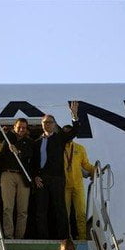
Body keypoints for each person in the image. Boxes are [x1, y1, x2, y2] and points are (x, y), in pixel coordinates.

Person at [32, 101, 80, 239]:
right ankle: (43, 237)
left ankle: (64, 238)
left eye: (50, 122)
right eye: (45, 122)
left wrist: (74, 115)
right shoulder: (37, 142)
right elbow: (33, 162)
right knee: (41, 210)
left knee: (60, 209)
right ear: (42, 124)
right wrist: (35, 176)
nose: (48, 124)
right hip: (41, 178)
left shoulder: (60, 138)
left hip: (57, 178)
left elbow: (75, 131)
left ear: (54, 124)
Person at [0, 104, 34, 239]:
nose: (21, 130)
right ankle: (8, 235)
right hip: (7, 175)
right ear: (15, 127)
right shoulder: (7, 137)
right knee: (8, 208)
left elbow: (30, 155)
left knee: (23, 210)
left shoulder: (29, 142)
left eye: (24, 128)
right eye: (19, 127)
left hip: (23, 177)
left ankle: (20, 237)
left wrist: (18, 151)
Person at [62, 125, 95, 240]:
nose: (67, 135)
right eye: (64, 132)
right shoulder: (59, 148)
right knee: (65, 214)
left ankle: (81, 236)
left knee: (80, 212)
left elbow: (85, 164)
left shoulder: (79, 148)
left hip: (77, 184)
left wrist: (95, 170)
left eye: (69, 132)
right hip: (64, 185)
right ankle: (66, 237)